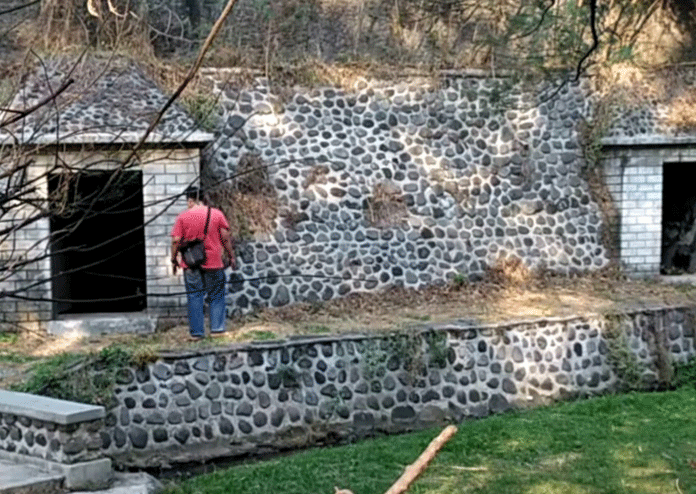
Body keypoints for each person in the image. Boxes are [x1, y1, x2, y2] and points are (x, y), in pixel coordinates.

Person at [171, 186, 235, 340]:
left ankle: (197, 334)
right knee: (216, 295)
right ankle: (217, 330)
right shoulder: (217, 214)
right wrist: (231, 256)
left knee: (194, 297)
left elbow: (175, 241)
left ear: (190, 200)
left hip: (191, 263)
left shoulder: (182, 217)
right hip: (214, 262)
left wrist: (174, 259)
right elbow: (225, 237)